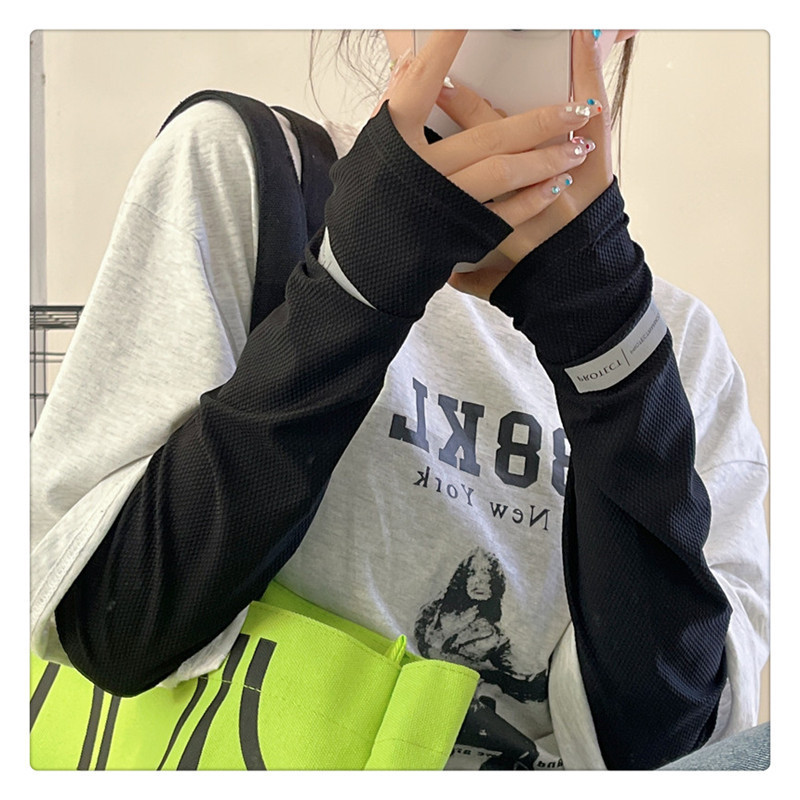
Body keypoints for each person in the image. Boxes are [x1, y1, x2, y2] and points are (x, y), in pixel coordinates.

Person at [30, 30, 769, 770]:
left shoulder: (671, 343)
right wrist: (356, 278)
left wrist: (606, 338)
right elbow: (115, 632)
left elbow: (662, 752)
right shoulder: (250, 170)